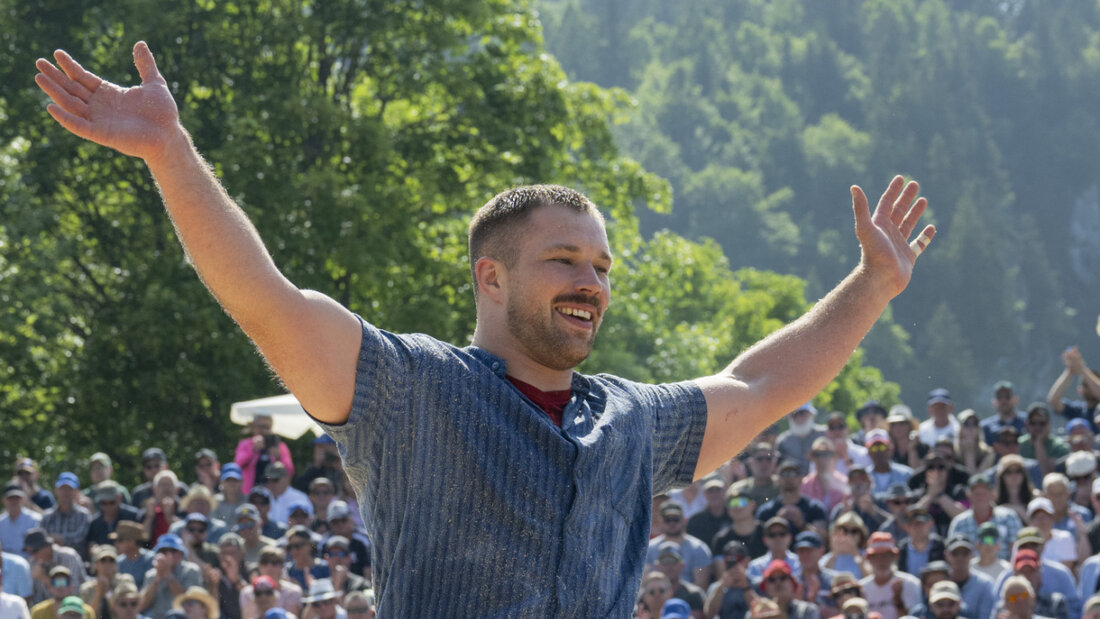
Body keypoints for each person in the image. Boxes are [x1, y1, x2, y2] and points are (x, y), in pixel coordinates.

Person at [33, 43, 936, 615]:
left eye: (602, 266)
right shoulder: (411, 390)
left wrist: (872, 284)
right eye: (565, 260)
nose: (591, 282)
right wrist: (170, 152)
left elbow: (761, 384)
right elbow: (266, 297)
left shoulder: (632, 421)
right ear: (490, 276)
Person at [646, 502, 713, 588]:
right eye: (667, 519)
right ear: (660, 521)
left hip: (687, 598)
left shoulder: (699, 548)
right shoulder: (649, 549)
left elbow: (700, 586)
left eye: (676, 519)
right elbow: (644, 583)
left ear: (684, 520)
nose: (672, 523)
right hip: (657, 597)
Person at [858, 532, 921, 619]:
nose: (881, 561)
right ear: (869, 559)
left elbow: (914, 616)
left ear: (895, 557)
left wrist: (898, 601)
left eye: (886, 556)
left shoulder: (910, 583)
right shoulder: (861, 588)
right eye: (876, 556)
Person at [138, 534, 202, 617]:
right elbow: (142, 605)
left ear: (180, 554)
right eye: (163, 551)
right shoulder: (151, 574)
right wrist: (157, 578)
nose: (168, 555)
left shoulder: (191, 571)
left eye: (173, 551)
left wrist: (168, 575)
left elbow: (188, 600)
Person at [24, 528, 87, 607]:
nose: (32, 555)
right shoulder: (32, 562)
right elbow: (30, 597)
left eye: (34, 551)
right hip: (43, 611)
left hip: (71, 608)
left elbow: (72, 591)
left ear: (47, 546)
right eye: (29, 552)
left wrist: (44, 578)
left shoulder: (68, 557)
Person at [234, 414, 295, 495]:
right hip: (249, 492)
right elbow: (237, 465)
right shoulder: (245, 444)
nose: (264, 430)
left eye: (267, 427)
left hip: (273, 494)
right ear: (254, 427)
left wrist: (278, 457)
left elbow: (290, 471)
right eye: (260, 426)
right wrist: (253, 451)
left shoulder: (280, 447)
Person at [1047, 345, 1100, 432]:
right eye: (1087, 385)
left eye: (1093, 383)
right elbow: (1054, 401)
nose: (1091, 387)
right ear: (1080, 390)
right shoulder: (1077, 411)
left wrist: (1082, 369)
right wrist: (1070, 370)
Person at [942, 535, 994, 619]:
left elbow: (986, 616)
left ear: (972, 554)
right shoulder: (940, 581)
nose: (960, 557)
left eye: (965, 553)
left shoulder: (985, 584)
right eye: (955, 553)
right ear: (946, 555)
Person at [40, 473, 92, 556]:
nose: (65, 492)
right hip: (50, 561)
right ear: (55, 490)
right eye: (62, 488)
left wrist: (56, 538)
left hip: (76, 562)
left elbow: (78, 539)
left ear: (77, 492)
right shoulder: (47, 516)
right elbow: (41, 539)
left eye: (69, 489)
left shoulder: (83, 515)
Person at [651, 543, 706, 617]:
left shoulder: (694, 594)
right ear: (656, 566)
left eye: (673, 561)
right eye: (664, 561)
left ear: (682, 565)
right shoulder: (649, 593)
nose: (669, 566)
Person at [703, 542, 756, 619]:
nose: (735, 563)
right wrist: (722, 587)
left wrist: (745, 586)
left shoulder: (757, 584)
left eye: (738, 558)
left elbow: (762, 610)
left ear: (747, 561)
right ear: (724, 562)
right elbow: (709, 614)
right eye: (729, 559)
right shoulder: (715, 587)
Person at [79, 544, 132, 619]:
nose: (108, 564)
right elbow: (87, 616)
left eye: (111, 560)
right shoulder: (87, 588)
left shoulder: (125, 582)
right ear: (96, 564)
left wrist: (107, 593)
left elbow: (126, 613)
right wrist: (98, 594)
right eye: (103, 560)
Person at [86, 481, 141, 550]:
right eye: (103, 503)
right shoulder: (95, 522)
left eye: (111, 502)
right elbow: (91, 543)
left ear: (119, 499)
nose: (108, 506)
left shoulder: (133, 516)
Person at [1019, 403, 1070, 476]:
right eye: (1033, 423)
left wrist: (1039, 443)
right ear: (1026, 424)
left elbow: (1048, 473)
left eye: (1042, 423)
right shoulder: (1018, 444)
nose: (1037, 427)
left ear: (1049, 424)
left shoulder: (1059, 447)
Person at [801, 437, 850, 512]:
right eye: (817, 454)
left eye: (826, 454)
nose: (821, 459)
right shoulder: (805, 485)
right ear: (812, 458)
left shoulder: (844, 482)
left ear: (833, 457)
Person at [777, 404, 825, 475]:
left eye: (802, 413)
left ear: (811, 414)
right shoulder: (782, 440)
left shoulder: (824, 434)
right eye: (794, 414)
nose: (798, 417)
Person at [729, 442, 780, 507]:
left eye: (768, 459)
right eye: (759, 459)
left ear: (774, 462)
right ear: (750, 463)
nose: (764, 463)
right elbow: (733, 509)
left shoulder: (782, 485)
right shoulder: (739, 489)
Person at [687, 478, 732, 551]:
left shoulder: (734, 516)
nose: (714, 494)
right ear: (704, 494)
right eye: (710, 491)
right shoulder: (696, 521)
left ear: (724, 492)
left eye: (718, 490)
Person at [821, 512, 869, 578]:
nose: (849, 535)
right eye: (845, 530)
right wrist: (835, 553)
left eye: (854, 531)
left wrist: (856, 554)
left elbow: (871, 578)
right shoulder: (828, 558)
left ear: (861, 535)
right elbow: (823, 579)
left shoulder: (867, 555)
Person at [1, 483, 43, 559]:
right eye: (10, 498)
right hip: (4, 564)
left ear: (24, 500)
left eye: (17, 498)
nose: (14, 501)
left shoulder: (35, 520)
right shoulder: (1, 522)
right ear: (4, 500)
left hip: (28, 562)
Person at [981, 381, 1027, 446]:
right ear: (994, 402)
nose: (1003, 401)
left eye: (1007, 396)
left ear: (1015, 399)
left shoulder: (1028, 422)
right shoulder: (986, 427)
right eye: (999, 397)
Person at [111, 521, 154, 590]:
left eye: (120, 540)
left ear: (132, 541)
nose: (116, 544)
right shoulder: (118, 562)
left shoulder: (150, 559)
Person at [953, 410, 994, 475]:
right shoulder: (952, 453)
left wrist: (969, 454)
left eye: (974, 424)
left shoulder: (987, 453)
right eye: (966, 424)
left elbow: (976, 480)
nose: (971, 428)